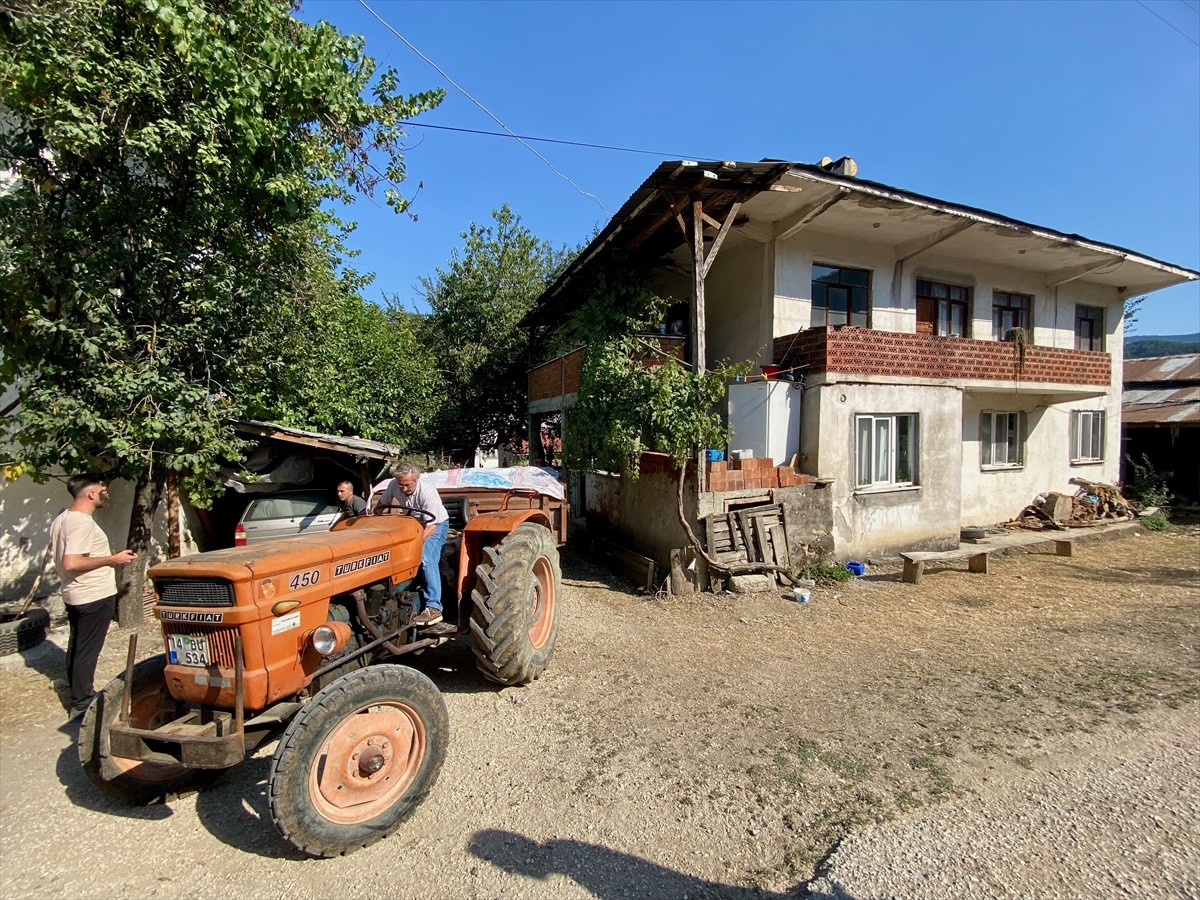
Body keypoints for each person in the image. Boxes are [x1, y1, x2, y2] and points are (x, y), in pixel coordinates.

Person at [48, 475, 137, 720]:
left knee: (78, 645)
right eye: (103, 490)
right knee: (88, 649)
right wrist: (113, 559)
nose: (106, 494)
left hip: (75, 593)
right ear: (90, 494)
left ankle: (77, 691)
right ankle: (82, 703)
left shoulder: (62, 519)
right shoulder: (82, 523)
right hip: (92, 595)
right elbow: (72, 562)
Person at [379, 462, 449, 627]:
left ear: (417, 480)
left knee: (425, 557)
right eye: (400, 484)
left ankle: (434, 608)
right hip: (411, 524)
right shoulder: (394, 485)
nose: (403, 489)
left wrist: (414, 544)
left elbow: (431, 526)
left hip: (435, 525)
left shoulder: (427, 492)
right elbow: (381, 506)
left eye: (407, 485)